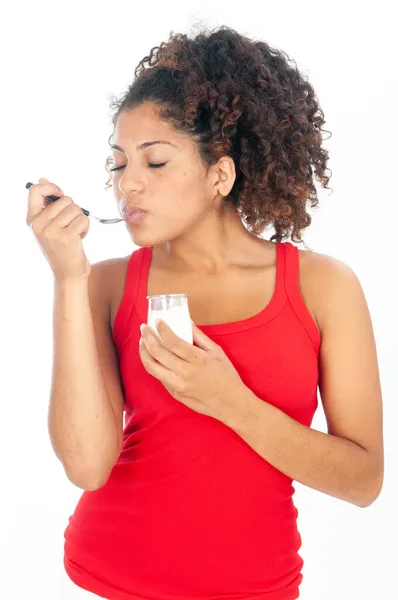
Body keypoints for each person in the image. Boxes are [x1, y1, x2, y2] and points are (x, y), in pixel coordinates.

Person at [26, 25, 384, 600]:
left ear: (220, 174)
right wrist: (69, 276)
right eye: (119, 165)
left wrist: (232, 403)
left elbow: (364, 482)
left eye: (156, 162)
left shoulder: (324, 288)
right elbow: (88, 467)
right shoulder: (107, 285)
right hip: (105, 579)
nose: (128, 185)